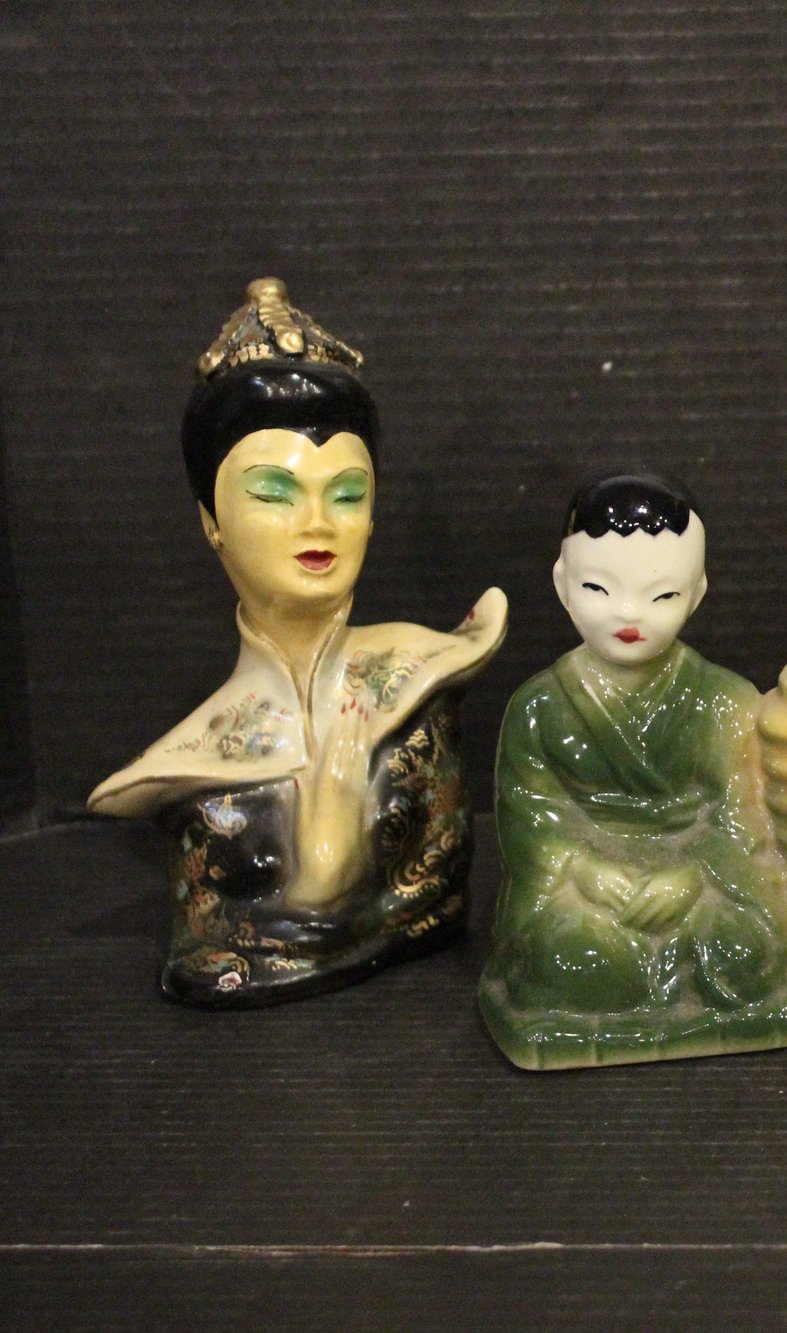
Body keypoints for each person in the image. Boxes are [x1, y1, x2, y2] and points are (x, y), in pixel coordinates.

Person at [89, 279, 508, 1003]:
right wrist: (321, 874)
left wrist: (332, 884)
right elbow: (206, 954)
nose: (318, 523)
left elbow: (438, 899)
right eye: (273, 494)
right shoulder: (195, 767)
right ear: (211, 521)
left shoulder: (419, 682)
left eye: (347, 494)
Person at [479, 472, 787, 1069]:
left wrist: (691, 876)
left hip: (698, 886)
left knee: (746, 956)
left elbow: (745, 820)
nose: (628, 614)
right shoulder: (538, 706)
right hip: (589, 892)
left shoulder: (725, 700)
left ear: (697, 594)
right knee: (565, 962)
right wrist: (584, 869)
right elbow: (528, 816)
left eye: (662, 596)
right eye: (597, 588)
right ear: (562, 585)